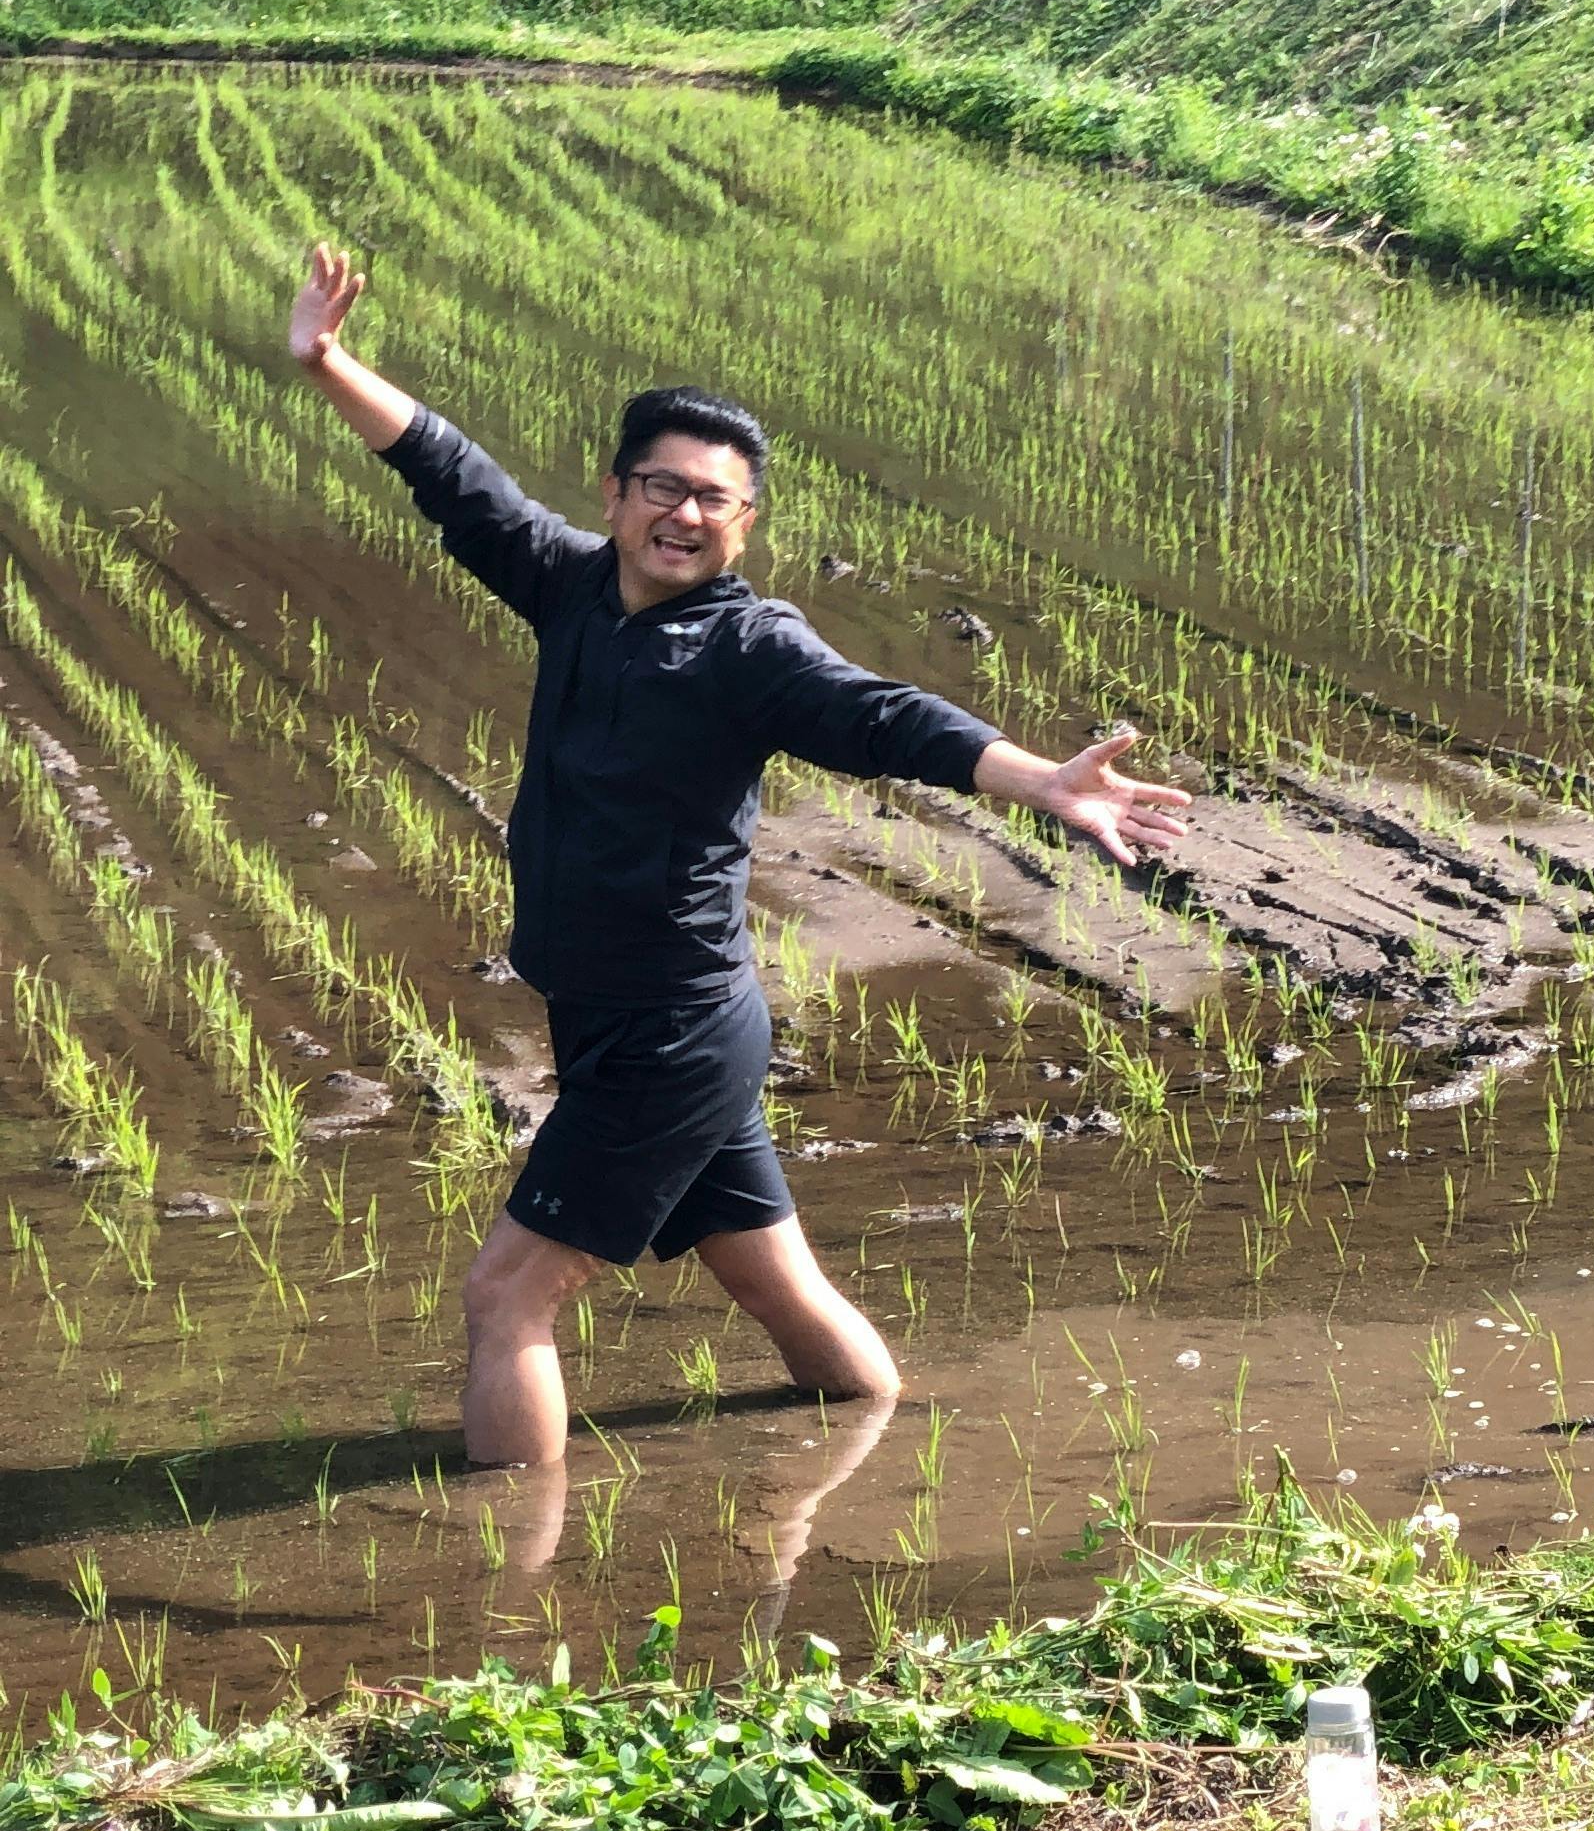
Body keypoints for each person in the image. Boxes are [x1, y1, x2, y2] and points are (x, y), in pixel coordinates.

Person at [285, 241, 1192, 1469]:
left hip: (673, 1031)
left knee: (507, 1299)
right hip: (624, 1018)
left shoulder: (749, 645)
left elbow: (886, 714)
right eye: (664, 487)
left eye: (716, 499)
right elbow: (453, 474)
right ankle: (885, 1450)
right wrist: (329, 362)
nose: (687, 514)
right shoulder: (570, 586)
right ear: (615, 494)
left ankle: (503, 1592)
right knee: (769, 1279)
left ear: (745, 523)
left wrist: (1039, 779)